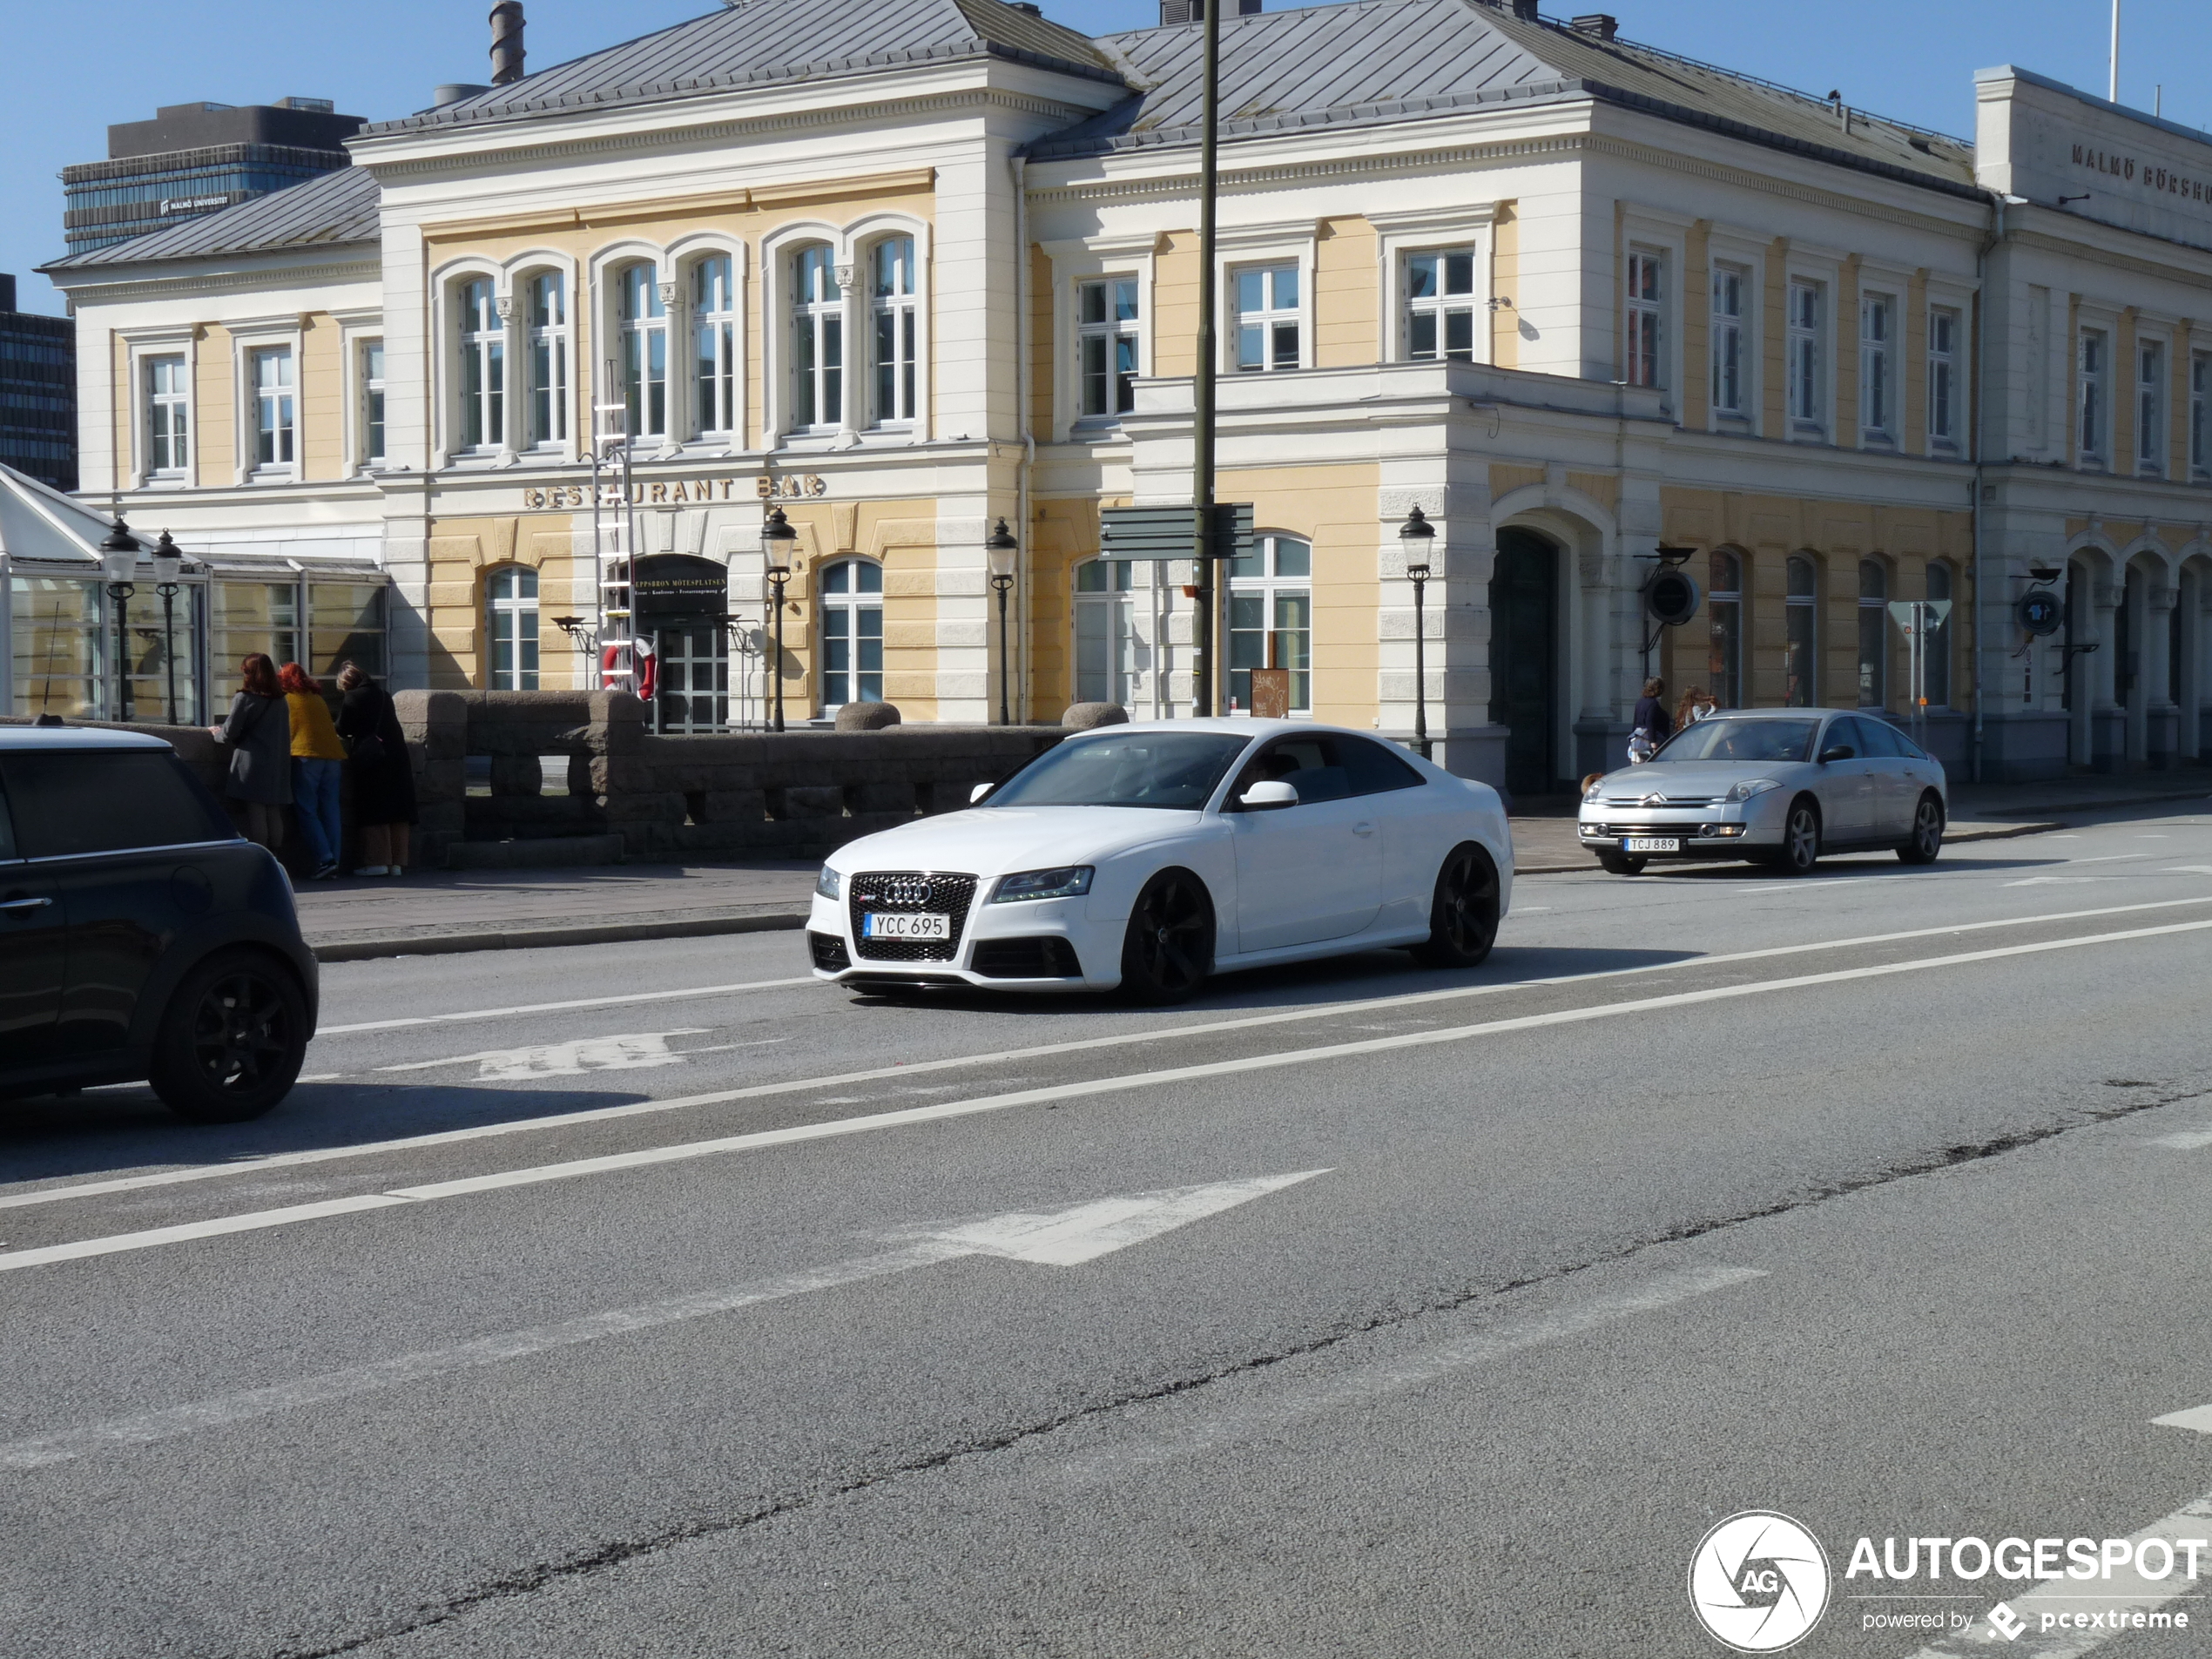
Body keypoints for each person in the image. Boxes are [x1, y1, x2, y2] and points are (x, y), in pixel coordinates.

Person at [334, 661, 417, 876]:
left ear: (347, 682)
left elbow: (343, 728)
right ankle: (397, 863)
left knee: (375, 806)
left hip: (372, 759)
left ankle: (377, 862)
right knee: (397, 810)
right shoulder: (384, 695)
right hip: (396, 755)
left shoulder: (353, 697)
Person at [209, 654, 292, 848]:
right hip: (277, 762)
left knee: (256, 811)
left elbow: (229, 732)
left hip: (252, 762)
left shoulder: (244, 698)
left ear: (250, 674)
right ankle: (276, 857)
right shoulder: (281, 701)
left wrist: (216, 734)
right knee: (273, 811)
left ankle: (261, 855)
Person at [281, 662, 347, 880]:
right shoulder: (317, 698)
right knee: (331, 810)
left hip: (307, 757)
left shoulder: (287, 699)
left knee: (307, 809)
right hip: (333, 756)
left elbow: (286, 733)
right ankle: (335, 860)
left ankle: (325, 859)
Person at [1628, 677, 1670, 765]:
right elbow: (1650, 723)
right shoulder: (1653, 704)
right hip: (1646, 740)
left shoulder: (1640, 702)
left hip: (1636, 738)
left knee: (1636, 766)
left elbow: (1635, 722)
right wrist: (1653, 743)